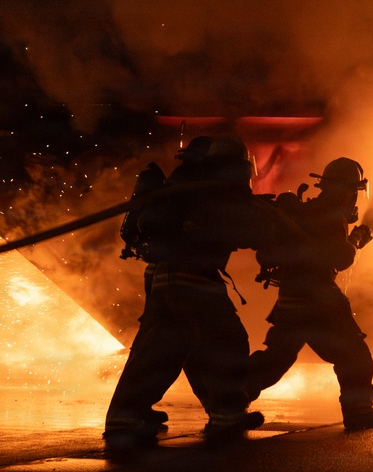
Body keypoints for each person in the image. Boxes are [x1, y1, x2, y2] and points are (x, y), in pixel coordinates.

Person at [104, 135, 276, 452]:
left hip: (162, 276)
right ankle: (227, 411)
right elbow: (252, 230)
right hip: (193, 279)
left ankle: (126, 415)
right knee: (227, 341)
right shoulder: (213, 193)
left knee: (168, 348)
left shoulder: (181, 189)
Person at [246, 157, 373, 431]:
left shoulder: (307, 211)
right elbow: (340, 257)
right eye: (354, 192)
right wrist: (357, 239)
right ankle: (359, 413)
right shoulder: (332, 216)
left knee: (276, 360)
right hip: (319, 300)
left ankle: (230, 399)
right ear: (348, 190)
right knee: (354, 355)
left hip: (291, 298)